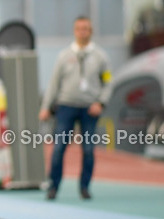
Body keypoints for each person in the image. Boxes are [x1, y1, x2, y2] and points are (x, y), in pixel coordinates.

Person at [38, 16, 112, 200]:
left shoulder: (101, 57)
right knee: (59, 148)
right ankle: (53, 186)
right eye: (79, 28)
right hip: (66, 107)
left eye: (86, 28)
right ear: (74, 31)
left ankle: (85, 187)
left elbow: (108, 82)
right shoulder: (64, 56)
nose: (82, 32)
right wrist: (46, 106)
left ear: (91, 31)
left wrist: (101, 102)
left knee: (88, 149)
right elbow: (54, 83)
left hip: (89, 109)